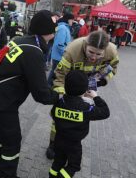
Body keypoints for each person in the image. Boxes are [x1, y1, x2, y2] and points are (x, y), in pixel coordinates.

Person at [0, 10, 59, 178]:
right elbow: (41, 94)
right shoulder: (34, 51)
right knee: (12, 141)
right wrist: (58, 96)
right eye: (53, 28)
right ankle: (6, 174)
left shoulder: (21, 40)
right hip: (2, 102)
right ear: (48, 31)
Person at [45, 30, 119, 159]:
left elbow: (114, 68)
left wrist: (103, 80)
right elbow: (60, 74)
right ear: (86, 44)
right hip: (70, 84)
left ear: (105, 50)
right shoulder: (73, 50)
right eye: (91, 52)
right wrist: (62, 97)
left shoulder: (111, 51)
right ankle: (53, 143)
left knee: (79, 117)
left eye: (98, 54)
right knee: (60, 117)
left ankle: (72, 142)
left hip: (89, 85)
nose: (94, 57)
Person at [49, 70, 110, 178]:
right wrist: (95, 97)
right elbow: (105, 112)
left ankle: (52, 175)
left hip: (58, 140)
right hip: (74, 145)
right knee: (73, 166)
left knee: (57, 162)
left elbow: (53, 114)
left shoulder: (59, 102)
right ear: (84, 90)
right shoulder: (86, 109)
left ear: (66, 86)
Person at [47, 13, 74, 86]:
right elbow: (60, 44)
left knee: (55, 72)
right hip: (59, 56)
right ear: (68, 20)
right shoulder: (63, 28)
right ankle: (48, 87)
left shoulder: (64, 27)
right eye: (72, 20)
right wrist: (65, 54)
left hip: (58, 55)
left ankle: (49, 86)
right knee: (56, 72)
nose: (72, 22)